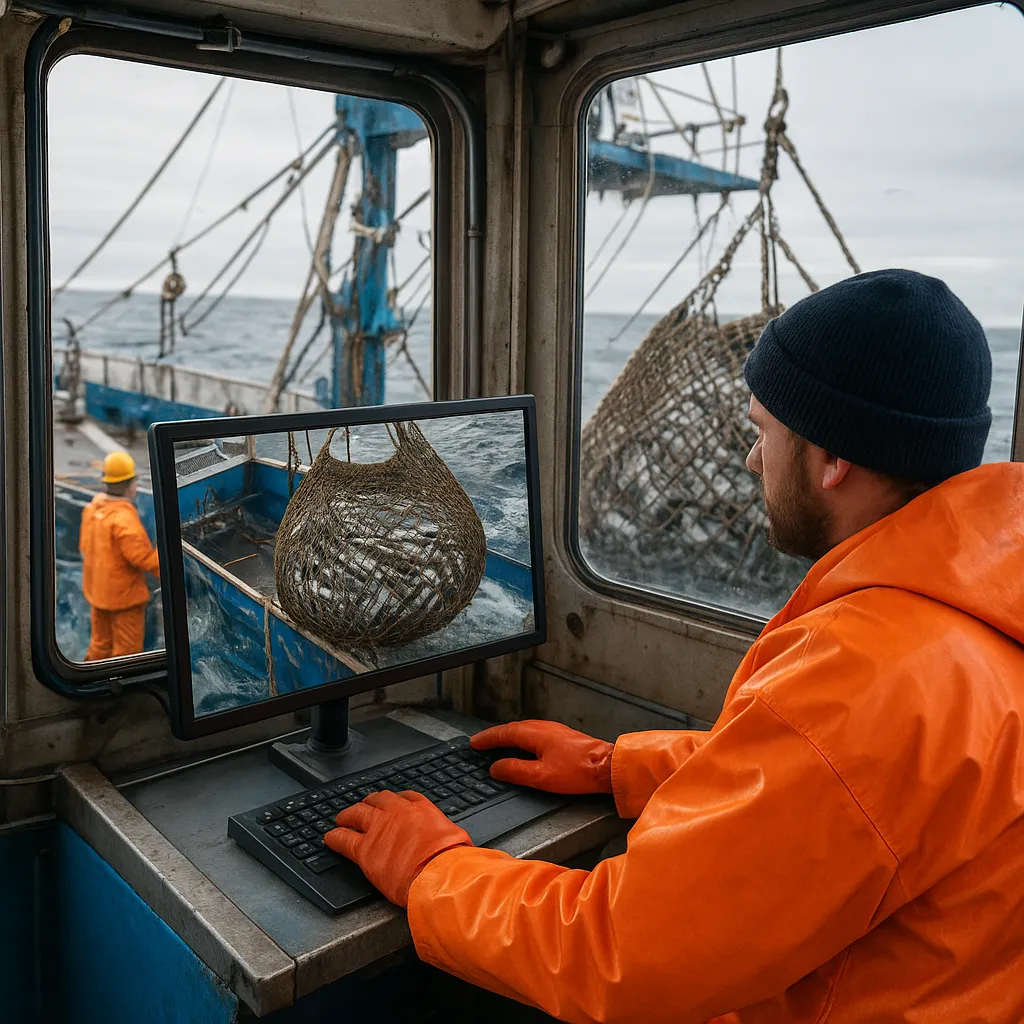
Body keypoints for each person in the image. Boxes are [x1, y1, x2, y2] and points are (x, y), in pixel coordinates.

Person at [325, 269, 1024, 1023]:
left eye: (764, 431)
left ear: (833, 461)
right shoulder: (980, 604)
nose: (752, 460)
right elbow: (835, 791)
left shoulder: (868, 676)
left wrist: (433, 868)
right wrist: (616, 766)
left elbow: (617, 955)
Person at [80, 450, 160, 661]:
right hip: (125, 602)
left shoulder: (91, 510)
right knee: (126, 655)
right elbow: (144, 560)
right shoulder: (124, 520)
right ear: (130, 485)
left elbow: (85, 548)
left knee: (99, 648)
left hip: (98, 595)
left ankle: (91, 679)